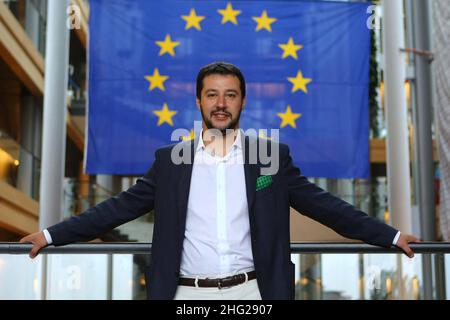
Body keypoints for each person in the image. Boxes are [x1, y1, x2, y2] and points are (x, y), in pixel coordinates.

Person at [21, 61, 419, 300]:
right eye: (212, 95)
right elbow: (116, 209)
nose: (221, 103)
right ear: (198, 102)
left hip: (253, 292)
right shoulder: (171, 161)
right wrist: (51, 235)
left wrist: (392, 235)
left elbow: (327, 206)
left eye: (230, 95)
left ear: (243, 101)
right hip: (186, 293)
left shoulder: (271, 160)